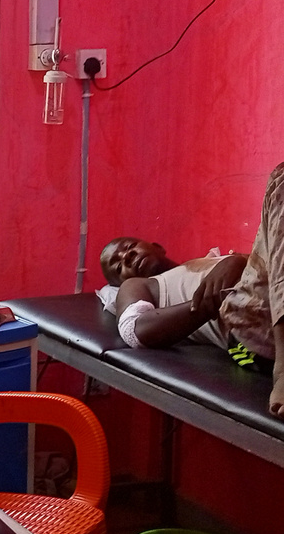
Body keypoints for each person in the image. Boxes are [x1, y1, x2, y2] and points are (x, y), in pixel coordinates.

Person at [112, 164, 284, 419]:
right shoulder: (142, 285)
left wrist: (237, 261)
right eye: (117, 266)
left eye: (129, 247)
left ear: (158, 247)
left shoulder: (208, 260)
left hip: (264, 296)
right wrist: (210, 299)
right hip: (248, 330)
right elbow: (136, 330)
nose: (126, 257)